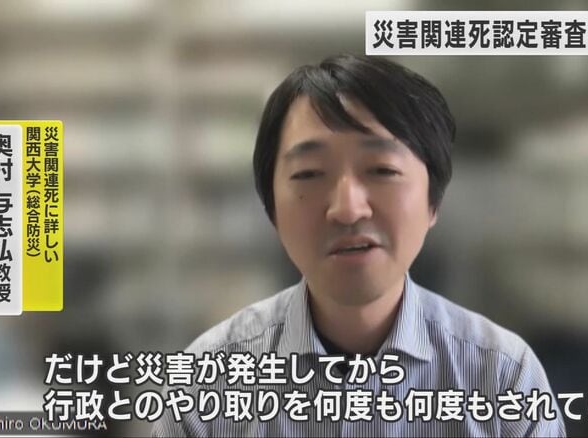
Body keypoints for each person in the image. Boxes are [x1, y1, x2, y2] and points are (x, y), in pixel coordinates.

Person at [153, 54, 566, 437]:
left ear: (433, 201)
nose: (348, 209)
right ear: (271, 208)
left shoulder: (502, 377)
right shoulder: (209, 381)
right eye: (309, 174)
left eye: (382, 169)